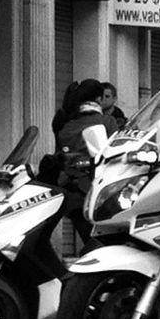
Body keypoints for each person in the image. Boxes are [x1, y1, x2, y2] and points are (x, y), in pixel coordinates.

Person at [54, 78, 113, 244]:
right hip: (100, 194)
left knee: (88, 240)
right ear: (99, 100)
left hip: (72, 194)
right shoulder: (108, 122)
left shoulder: (66, 125)